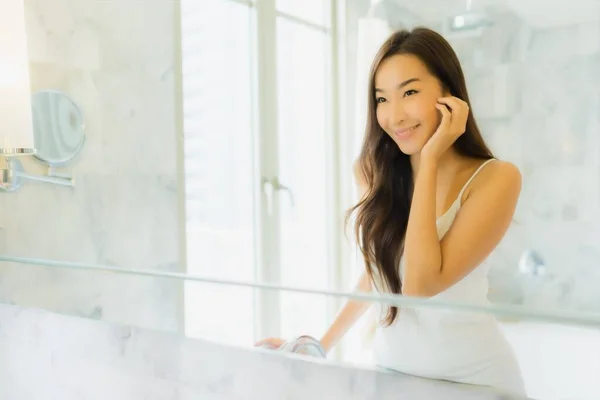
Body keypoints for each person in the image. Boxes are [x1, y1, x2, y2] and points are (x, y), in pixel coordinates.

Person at [256, 26, 526, 395]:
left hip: (473, 382)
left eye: (410, 92)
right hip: (392, 375)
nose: (394, 115)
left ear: (449, 93)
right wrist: (318, 345)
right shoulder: (372, 173)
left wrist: (429, 160)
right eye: (381, 99)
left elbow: (419, 284)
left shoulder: (495, 178)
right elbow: (379, 273)